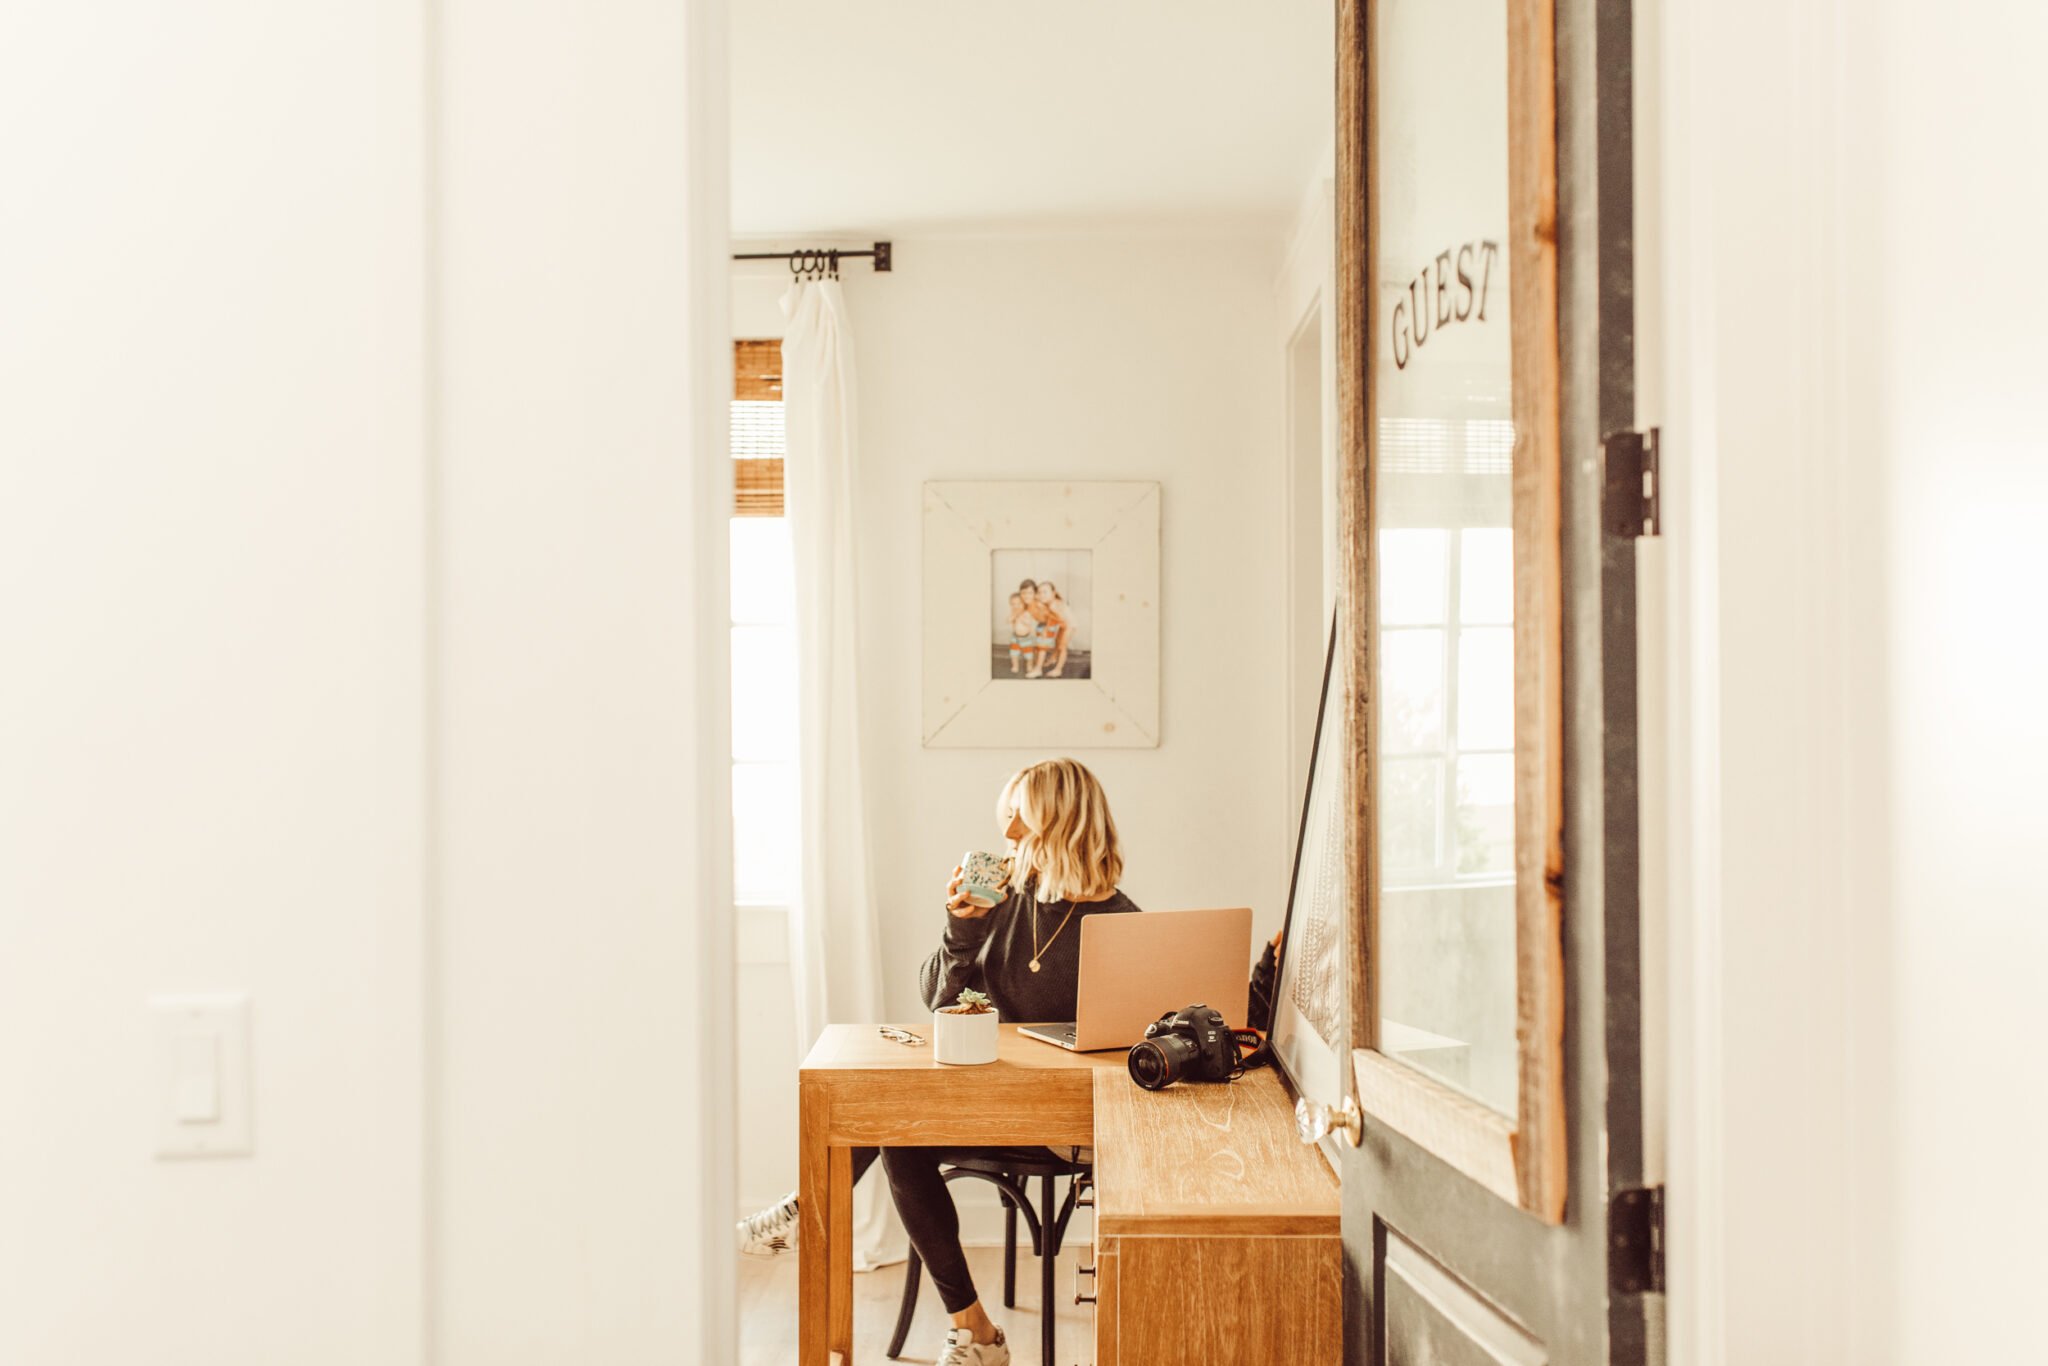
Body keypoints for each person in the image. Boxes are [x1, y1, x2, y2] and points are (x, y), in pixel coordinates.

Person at [738, 759, 1139, 1366]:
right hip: (988, 1103)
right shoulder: (1003, 903)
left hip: (1070, 1123)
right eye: (1006, 819)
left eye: (1019, 819)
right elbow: (938, 1002)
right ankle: (973, 1328)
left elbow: (1132, 1038)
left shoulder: (1123, 924)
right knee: (894, 1127)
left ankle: (808, 1206)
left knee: (893, 1127)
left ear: (1061, 822)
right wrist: (961, 930)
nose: (1007, 836)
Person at [1036, 580, 1072, 677]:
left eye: (1045, 592)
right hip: (1063, 625)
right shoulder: (1049, 603)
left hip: (1069, 625)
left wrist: (1046, 629)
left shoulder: (1054, 605)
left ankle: (1058, 669)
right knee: (1057, 643)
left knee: (1062, 647)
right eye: (1039, 592)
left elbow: (1060, 620)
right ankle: (1053, 659)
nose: (1042, 595)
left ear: (1053, 593)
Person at [1004, 591, 1036, 675]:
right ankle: (1015, 666)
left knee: (1029, 654)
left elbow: (1029, 623)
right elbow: (1007, 621)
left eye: (1018, 604)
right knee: (1014, 654)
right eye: (1013, 604)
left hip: (1026, 637)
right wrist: (1013, 616)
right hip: (1015, 638)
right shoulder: (1013, 613)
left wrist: (1022, 618)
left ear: (1024, 604)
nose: (1015, 606)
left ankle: (1029, 666)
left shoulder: (1026, 613)